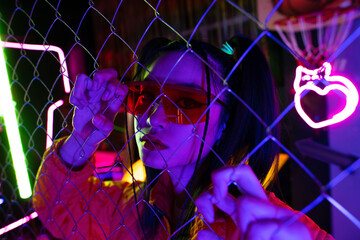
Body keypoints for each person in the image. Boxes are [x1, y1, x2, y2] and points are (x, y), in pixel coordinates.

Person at [33, 36, 334, 240]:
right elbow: (58, 208)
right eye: (144, 96)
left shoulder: (264, 223)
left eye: (184, 103)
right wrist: (82, 140)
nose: (152, 117)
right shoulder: (139, 208)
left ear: (227, 121)